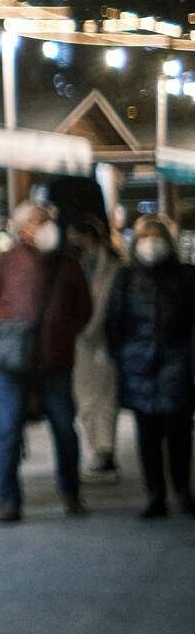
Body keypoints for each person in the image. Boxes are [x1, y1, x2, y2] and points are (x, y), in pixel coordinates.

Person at [0, 200, 95, 523]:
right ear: (23, 228)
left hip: (55, 360)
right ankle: (9, 500)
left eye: (49, 219)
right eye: (41, 220)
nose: (48, 226)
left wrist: (64, 334)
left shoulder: (68, 265)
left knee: (64, 429)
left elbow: (84, 309)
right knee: (8, 430)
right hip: (13, 362)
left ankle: (71, 492)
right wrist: (0, 337)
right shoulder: (1, 261)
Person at [104, 214, 194, 518]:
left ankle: (182, 489)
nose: (152, 244)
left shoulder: (186, 276)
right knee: (148, 437)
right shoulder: (126, 278)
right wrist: (125, 356)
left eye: (158, 237)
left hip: (178, 365)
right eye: (147, 238)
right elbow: (113, 323)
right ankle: (155, 493)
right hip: (138, 366)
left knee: (179, 433)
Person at [69, 215, 124, 481]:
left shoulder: (112, 266)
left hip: (106, 339)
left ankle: (105, 450)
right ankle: (98, 449)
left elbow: (107, 303)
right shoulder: (75, 264)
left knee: (105, 397)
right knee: (85, 398)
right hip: (81, 341)